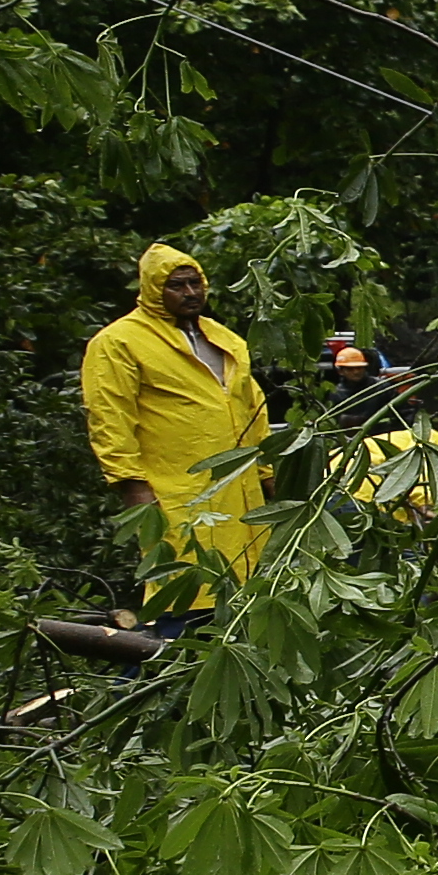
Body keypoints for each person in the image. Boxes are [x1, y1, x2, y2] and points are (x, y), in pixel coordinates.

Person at [80, 239, 272, 606]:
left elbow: (253, 409)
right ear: (152, 288)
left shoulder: (225, 339)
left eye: (194, 283)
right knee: (184, 586)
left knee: (248, 588)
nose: (189, 293)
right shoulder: (119, 342)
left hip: (242, 488)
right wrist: (133, 488)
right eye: (176, 285)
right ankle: (161, 656)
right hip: (176, 490)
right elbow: (110, 418)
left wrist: (268, 471)